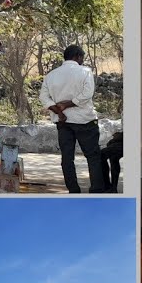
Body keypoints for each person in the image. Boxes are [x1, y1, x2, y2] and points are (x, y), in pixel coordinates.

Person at [40, 45, 108, 193]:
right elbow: (87, 94)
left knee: (67, 158)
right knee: (92, 156)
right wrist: (68, 104)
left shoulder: (51, 75)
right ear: (77, 56)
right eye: (82, 58)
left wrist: (59, 110)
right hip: (85, 120)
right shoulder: (85, 72)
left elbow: (44, 98)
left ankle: (74, 190)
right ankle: (96, 190)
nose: (82, 61)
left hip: (63, 122)